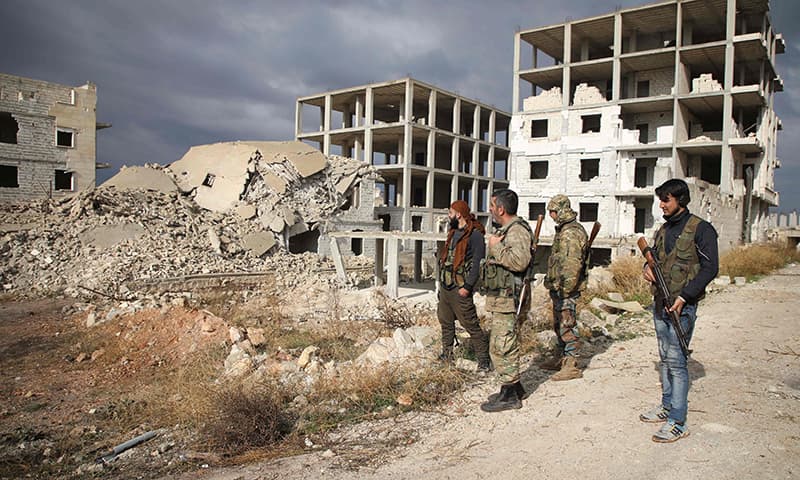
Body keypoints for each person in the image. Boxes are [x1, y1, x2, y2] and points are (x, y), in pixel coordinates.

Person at [641, 178, 718, 443]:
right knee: (664, 357)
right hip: (660, 304)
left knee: (676, 361)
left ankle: (678, 421)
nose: (661, 205)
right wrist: (647, 270)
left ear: (680, 201)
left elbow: (710, 269)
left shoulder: (701, 229)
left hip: (681, 307)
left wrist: (685, 297)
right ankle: (666, 406)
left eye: (666, 200)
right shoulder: (663, 230)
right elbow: (654, 259)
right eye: (660, 200)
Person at [479, 189, 534, 412]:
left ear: (500, 209)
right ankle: (515, 387)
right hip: (503, 297)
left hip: (509, 298)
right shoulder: (509, 230)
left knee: (502, 344)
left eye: (492, 206)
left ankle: (510, 394)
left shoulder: (517, 231)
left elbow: (519, 262)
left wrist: (495, 246)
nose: (490, 210)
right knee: (505, 341)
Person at [437, 200, 490, 371]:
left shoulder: (475, 236)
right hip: (447, 287)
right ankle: (447, 354)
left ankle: (483, 360)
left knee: (471, 325)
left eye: (450, 213)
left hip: (460, 288)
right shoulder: (453, 232)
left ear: (459, 214)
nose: (448, 216)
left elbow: (477, 264)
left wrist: (467, 287)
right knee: (445, 322)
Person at [541, 194, 588, 381]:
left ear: (560, 211)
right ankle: (561, 357)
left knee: (567, 323)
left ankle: (572, 364)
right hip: (558, 286)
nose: (551, 215)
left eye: (552, 211)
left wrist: (566, 289)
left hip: (566, 288)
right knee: (559, 323)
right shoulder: (564, 230)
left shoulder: (570, 233)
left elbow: (571, 265)